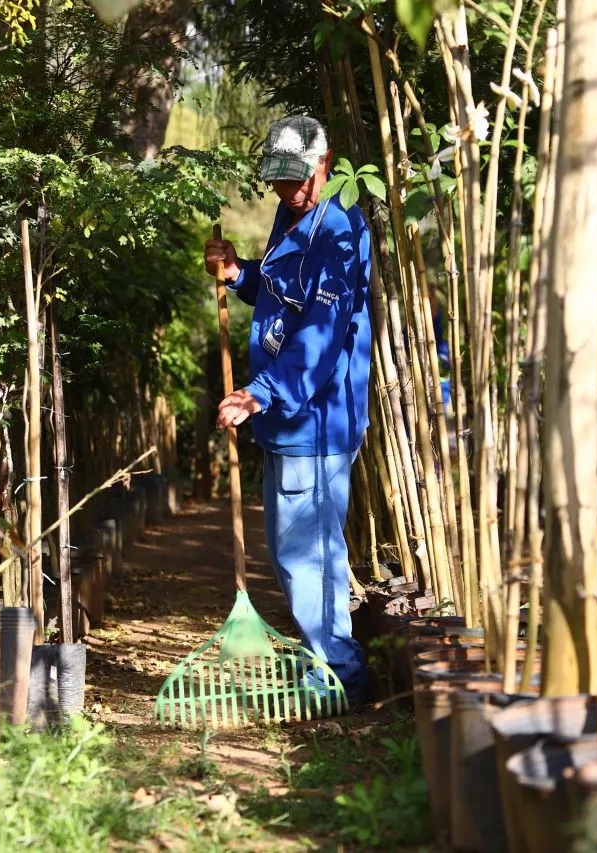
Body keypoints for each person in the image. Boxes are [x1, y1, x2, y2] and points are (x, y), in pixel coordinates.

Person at [203, 115, 373, 708]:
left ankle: (336, 675)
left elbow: (321, 334)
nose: (290, 190)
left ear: (325, 165)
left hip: (316, 417)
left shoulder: (340, 231)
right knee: (293, 548)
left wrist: (260, 394)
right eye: (280, 180)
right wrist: (239, 275)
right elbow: (283, 295)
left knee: (308, 553)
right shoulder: (293, 214)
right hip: (288, 419)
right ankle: (324, 665)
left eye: (300, 178)